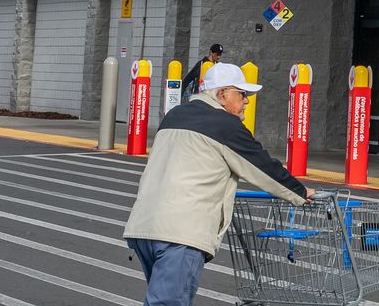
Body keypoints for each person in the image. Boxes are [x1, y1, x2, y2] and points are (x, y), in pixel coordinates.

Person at [123, 62, 310, 305]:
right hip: (181, 233)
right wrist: (300, 192)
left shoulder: (175, 115)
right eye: (242, 94)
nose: (247, 101)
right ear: (222, 95)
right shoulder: (225, 125)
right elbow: (263, 167)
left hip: (145, 227)